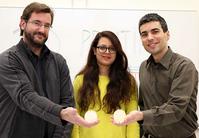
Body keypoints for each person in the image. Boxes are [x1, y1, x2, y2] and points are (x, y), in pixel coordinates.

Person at [0, 2, 98, 138]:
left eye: (47, 25)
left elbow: (68, 103)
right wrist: (61, 113)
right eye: (37, 23)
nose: (42, 29)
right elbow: (25, 96)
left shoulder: (59, 62)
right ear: (23, 23)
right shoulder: (8, 60)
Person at [113, 13, 198, 138]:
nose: (150, 37)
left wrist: (141, 116)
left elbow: (176, 109)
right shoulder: (143, 67)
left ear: (167, 34)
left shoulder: (184, 66)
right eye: (144, 34)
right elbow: (143, 105)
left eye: (155, 31)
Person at [71, 31, 140, 138]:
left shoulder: (128, 81)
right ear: (94, 50)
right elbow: (75, 118)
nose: (107, 52)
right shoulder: (80, 80)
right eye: (102, 47)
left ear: (117, 52)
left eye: (112, 48)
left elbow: (132, 120)